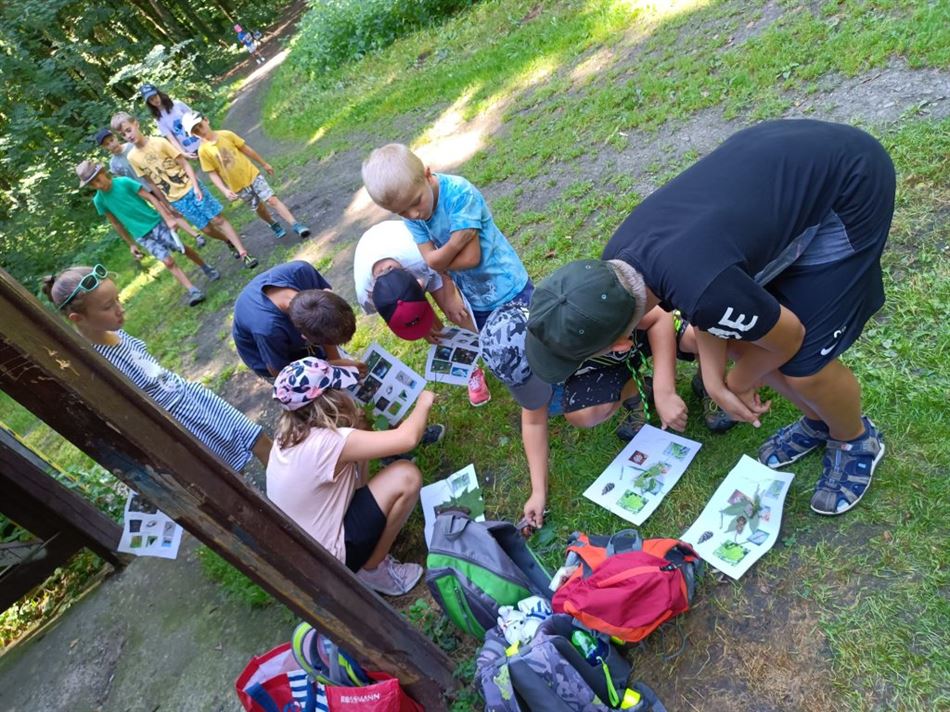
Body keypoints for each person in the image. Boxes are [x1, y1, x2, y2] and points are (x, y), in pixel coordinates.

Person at [524, 120, 894, 517]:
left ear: (619, 345)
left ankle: (855, 438)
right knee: (747, 342)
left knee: (806, 367)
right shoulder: (618, 269)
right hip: (778, 160)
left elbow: (788, 337)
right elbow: (707, 310)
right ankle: (819, 419)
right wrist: (714, 383)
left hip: (849, 182)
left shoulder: (701, 288)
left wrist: (737, 383)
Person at [481, 300, 726, 528]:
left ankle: (710, 382)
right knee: (582, 413)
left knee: (700, 338)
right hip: (603, 361)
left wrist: (665, 391)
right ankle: (636, 390)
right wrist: (538, 492)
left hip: (641, 331)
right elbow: (533, 422)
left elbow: (659, 317)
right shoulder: (539, 351)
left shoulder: (585, 308)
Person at [43, 264, 271, 470]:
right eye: (108, 306)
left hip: (190, 394)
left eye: (117, 299)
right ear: (77, 318)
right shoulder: (98, 363)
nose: (120, 308)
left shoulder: (116, 332)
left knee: (257, 438)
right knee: (232, 469)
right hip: (180, 419)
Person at [362, 144, 533, 404]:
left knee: (532, 335)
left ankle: (556, 375)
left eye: (415, 203)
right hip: (477, 299)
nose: (413, 214)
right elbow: (431, 261)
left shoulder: (459, 194)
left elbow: (471, 258)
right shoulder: (414, 217)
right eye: (402, 212)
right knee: (502, 348)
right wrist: (454, 244)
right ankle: (532, 391)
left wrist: (440, 261)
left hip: (507, 285)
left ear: (427, 174)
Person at [267, 357, 431, 595]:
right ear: (329, 400)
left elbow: (351, 485)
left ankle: (368, 553)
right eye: (339, 388)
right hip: (333, 562)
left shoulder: (288, 438)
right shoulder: (327, 442)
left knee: (376, 468)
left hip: (310, 557)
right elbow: (407, 439)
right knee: (406, 476)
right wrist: (424, 401)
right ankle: (373, 569)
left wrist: (356, 429)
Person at [111, 111, 259, 269]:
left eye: (128, 130)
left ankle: (243, 253)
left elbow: (184, 164)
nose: (128, 136)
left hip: (191, 186)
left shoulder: (159, 142)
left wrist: (196, 186)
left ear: (136, 124)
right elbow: (151, 183)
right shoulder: (132, 157)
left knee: (217, 219)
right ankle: (227, 240)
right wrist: (166, 204)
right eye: (123, 134)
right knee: (206, 229)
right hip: (176, 199)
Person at [76, 160, 219, 307]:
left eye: (98, 180)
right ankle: (193, 290)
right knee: (168, 262)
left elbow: (151, 198)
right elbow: (116, 223)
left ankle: (205, 266)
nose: (98, 185)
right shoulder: (99, 201)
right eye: (93, 184)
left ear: (103, 172)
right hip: (141, 235)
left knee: (182, 249)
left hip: (156, 223)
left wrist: (168, 218)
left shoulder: (124, 182)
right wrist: (131, 244)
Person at [183, 111, 311, 241]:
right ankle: (272, 223)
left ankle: (295, 224)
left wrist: (264, 164)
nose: (200, 131)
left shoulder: (226, 134)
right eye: (195, 131)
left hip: (251, 174)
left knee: (271, 199)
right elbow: (212, 173)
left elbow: (246, 149)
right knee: (259, 208)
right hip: (237, 186)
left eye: (200, 126)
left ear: (206, 120)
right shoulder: (203, 151)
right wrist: (225, 190)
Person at [232, 261, 354, 379]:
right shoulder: (268, 330)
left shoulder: (303, 271)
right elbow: (282, 375)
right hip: (274, 360)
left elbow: (326, 329)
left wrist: (336, 363)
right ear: (304, 337)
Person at [353, 220, 475, 335]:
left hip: (413, 249)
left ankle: (480, 337)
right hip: (372, 247)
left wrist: (451, 296)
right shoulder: (366, 295)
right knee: (430, 328)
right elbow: (394, 314)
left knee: (457, 313)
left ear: (420, 284)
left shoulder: (421, 258)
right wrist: (419, 328)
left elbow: (445, 268)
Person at [94, 127, 204, 246]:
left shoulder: (132, 147)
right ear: (104, 148)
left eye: (111, 140)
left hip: (159, 182)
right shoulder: (114, 164)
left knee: (178, 204)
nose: (111, 145)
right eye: (107, 144)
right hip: (144, 191)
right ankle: (196, 235)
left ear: (115, 137)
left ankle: (203, 222)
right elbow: (123, 182)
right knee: (168, 211)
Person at [140, 84, 201, 159]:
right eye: (151, 100)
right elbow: (172, 139)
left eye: (155, 96)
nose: (155, 100)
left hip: (202, 139)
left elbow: (196, 118)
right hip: (191, 150)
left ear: (159, 94)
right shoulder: (159, 119)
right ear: (149, 103)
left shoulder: (177, 104)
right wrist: (183, 153)